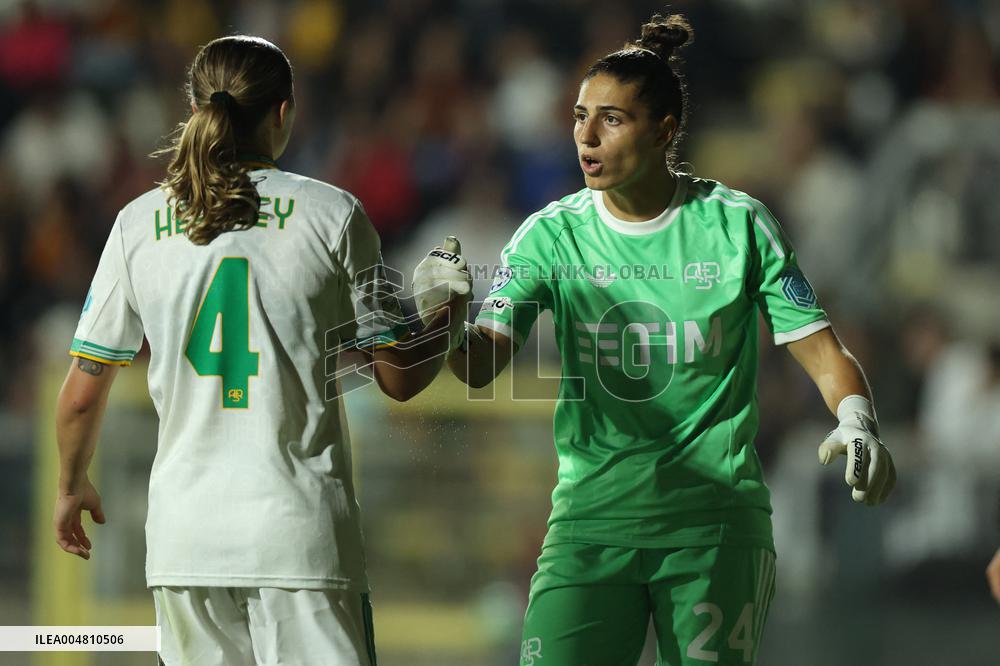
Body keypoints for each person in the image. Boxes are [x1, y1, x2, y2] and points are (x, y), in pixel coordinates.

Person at [421, 13, 896, 666]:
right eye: (580, 116)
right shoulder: (547, 236)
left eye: (611, 119)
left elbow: (823, 352)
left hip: (713, 531)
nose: (586, 136)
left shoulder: (737, 226)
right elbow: (481, 367)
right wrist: (446, 320)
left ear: (664, 130)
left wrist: (857, 418)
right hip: (588, 527)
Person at [52, 36, 470, 665]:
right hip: (299, 537)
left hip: (185, 543)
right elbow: (399, 378)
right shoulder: (335, 215)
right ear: (284, 112)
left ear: (194, 109)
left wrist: (70, 484)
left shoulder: (137, 223)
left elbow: (82, 395)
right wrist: (450, 314)